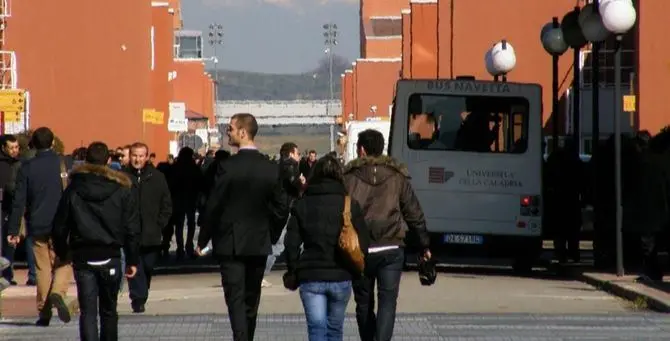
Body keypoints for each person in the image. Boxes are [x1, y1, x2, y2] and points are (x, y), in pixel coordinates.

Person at [197, 113, 288, 341]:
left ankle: (241, 337)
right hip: (258, 241)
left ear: (243, 132)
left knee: (235, 298)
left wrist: (202, 238)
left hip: (230, 243)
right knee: (251, 299)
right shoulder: (270, 168)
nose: (227, 132)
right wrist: (271, 234)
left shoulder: (226, 167)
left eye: (230, 128)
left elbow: (213, 205)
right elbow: (281, 207)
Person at [343, 129, 431, 341]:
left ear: (361, 149)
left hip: (359, 249)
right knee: (388, 303)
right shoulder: (397, 176)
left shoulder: (348, 178)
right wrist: (424, 245)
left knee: (363, 303)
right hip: (391, 247)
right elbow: (414, 213)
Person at [52, 142, 140, 341]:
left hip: (83, 256)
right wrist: (133, 259)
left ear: (86, 161)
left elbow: (60, 225)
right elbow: (132, 227)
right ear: (108, 161)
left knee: (88, 312)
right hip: (111, 254)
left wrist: (62, 251)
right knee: (109, 310)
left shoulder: (74, 188)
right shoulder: (122, 189)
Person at [284, 155, 369, 341]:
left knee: (316, 330)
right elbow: (363, 241)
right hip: (341, 276)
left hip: (311, 276)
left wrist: (293, 269)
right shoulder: (349, 204)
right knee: (335, 329)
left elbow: (291, 243)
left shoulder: (302, 204)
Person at [6, 127, 76, 326]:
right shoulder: (65, 163)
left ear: (33, 144)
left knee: (42, 268)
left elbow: (19, 200)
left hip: (38, 224)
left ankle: (43, 311)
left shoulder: (27, 167)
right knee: (64, 261)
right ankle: (58, 292)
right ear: (52, 142)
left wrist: (13, 230)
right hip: (62, 224)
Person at [124, 142, 172, 313]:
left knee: (148, 267)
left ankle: (141, 293)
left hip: (151, 233)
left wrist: (160, 223)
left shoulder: (157, 177)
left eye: (141, 156)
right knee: (135, 267)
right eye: (135, 155)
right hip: (130, 233)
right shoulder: (122, 177)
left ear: (147, 157)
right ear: (130, 156)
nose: (137, 159)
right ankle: (138, 299)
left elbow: (166, 204)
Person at [262, 142, 305, 288]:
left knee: (274, 242)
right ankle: (261, 273)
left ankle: (260, 273)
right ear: (292, 153)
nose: (299, 157)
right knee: (278, 244)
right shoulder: (291, 165)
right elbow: (294, 184)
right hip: (284, 208)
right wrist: (302, 182)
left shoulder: (276, 165)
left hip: (276, 207)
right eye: (298, 153)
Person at [0, 135, 20, 286]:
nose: (15, 150)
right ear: (3, 148)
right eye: (11, 147)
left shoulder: (20, 164)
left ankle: (8, 274)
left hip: (11, 208)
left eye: (17, 147)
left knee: (10, 243)